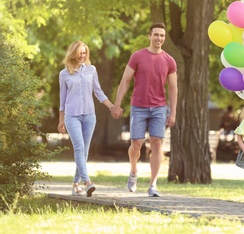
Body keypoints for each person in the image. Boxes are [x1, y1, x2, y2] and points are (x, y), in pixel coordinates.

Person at [111, 22, 178, 197]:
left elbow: (173, 88)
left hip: (159, 108)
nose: (159, 38)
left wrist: (174, 112)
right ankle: (133, 172)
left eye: (162, 35)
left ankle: (153, 185)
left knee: (157, 143)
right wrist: (117, 104)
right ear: (149, 36)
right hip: (138, 107)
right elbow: (125, 81)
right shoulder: (137, 56)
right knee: (136, 145)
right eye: (156, 35)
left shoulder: (169, 60)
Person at [57, 41, 116, 197]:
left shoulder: (91, 70)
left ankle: (76, 184)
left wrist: (112, 107)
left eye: (84, 53)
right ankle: (87, 182)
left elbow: (98, 92)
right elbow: (62, 100)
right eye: (79, 53)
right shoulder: (64, 74)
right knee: (79, 148)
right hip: (72, 116)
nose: (82, 56)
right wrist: (61, 121)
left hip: (89, 115)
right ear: (73, 54)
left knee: (84, 151)